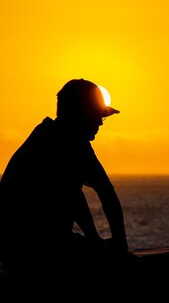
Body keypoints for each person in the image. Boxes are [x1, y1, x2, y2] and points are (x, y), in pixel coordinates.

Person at [0, 78, 132, 274]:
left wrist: (99, 240)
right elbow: (97, 192)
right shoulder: (63, 143)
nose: (100, 122)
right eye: (97, 115)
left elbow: (79, 194)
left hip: (24, 249)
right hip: (34, 251)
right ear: (79, 114)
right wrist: (116, 245)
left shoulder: (54, 136)